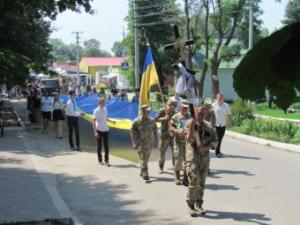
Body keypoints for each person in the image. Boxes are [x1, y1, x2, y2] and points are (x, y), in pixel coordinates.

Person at [185, 106, 218, 217]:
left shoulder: (209, 126)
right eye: (198, 112)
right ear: (195, 113)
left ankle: (199, 204)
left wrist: (207, 147)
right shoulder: (189, 123)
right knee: (194, 179)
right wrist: (191, 129)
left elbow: (215, 141)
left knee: (202, 182)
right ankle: (190, 205)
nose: (200, 114)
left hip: (205, 157)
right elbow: (188, 140)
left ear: (205, 114)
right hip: (193, 155)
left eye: (202, 113)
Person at [131, 105, 158, 181]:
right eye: (147, 111)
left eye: (149, 111)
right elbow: (132, 132)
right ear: (143, 112)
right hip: (140, 143)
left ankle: (142, 169)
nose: (148, 112)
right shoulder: (137, 121)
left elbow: (155, 131)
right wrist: (134, 142)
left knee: (146, 158)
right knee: (142, 157)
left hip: (149, 143)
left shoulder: (152, 121)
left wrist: (156, 142)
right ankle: (145, 171)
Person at [169, 100, 191, 185]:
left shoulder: (190, 116)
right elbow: (171, 127)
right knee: (178, 159)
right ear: (181, 107)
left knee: (187, 160)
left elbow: (194, 126)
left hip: (187, 142)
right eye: (184, 107)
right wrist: (177, 131)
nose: (185, 109)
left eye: (186, 108)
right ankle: (177, 176)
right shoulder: (176, 117)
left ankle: (185, 178)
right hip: (178, 141)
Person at [155, 99, 177, 174]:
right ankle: (161, 168)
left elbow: (178, 123)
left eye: (173, 105)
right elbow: (156, 119)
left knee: (175, 153)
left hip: (173, 136)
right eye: (170, 105)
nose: (171, 107)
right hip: (164, 136)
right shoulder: (162, 111)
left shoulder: (175, 113)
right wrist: (165, 118)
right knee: (162, 153)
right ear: (167, 104)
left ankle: (175, 168)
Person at [92, 97, 115, 166]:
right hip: (99, 129)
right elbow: (94, 121)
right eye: (103, 102)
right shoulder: (96, 110)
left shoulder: (105, 109)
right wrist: (95, 132)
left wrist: (111, 121)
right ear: (100, 102)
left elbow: (105, 118)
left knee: (106, 146)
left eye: (104, 102)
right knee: (99, 146)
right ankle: (100, 160)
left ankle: (107, 160)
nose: (104, 103)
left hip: (105, 129)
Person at [212, 93, 232, 158]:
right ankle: (216, 151)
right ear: (216, 98)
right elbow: (209, 113)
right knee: (216, 138)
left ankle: (217, 150)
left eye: (221, 98)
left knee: (220, 138)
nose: (220, 99)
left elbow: (229, 114)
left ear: (223, 98)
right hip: (215, 124)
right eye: (218, 98)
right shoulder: (213, 105)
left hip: (223, 125)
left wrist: (229, 123)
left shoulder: (226, 105)